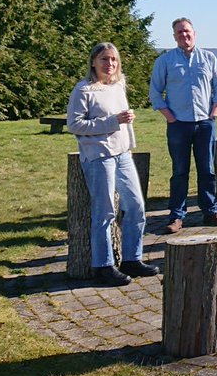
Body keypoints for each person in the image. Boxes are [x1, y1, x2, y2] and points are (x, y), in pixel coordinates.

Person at [66, 43, 158, 286]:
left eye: (114, 59)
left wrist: (127, 131)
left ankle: (132, 259)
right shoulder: (83, 90)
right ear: (93, 62)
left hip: (123, 153)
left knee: (136, 206)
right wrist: (112, 121)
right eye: (104, 59)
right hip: (99, 156)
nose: (110, 64)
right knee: (105, 211)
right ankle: (103, 265)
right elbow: (74, 125)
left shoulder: (118, 86)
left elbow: (121, 121)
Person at [149, 18, 217, 233]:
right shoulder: (165, 61)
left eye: (187, 31)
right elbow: (155, 92)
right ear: (174, 36)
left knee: (207, 170)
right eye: (180, 32)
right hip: (178, 125)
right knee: (180, 171)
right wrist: (170, 117)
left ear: (195, 33)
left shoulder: (208, 58)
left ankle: (210, 211)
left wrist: (214, 113)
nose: (184, 35)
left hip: (204, 124)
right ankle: (176, 216)